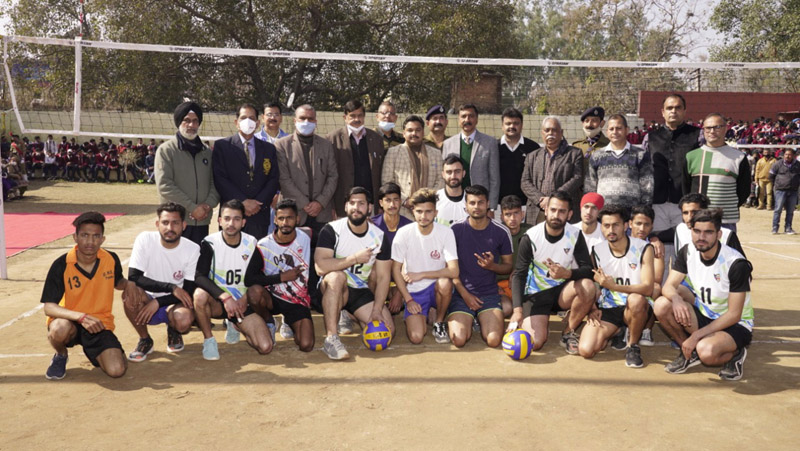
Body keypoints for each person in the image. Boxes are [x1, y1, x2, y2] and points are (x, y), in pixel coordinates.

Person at [40, 212, 143, 379]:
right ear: (75, 237)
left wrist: (130, 283)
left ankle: (105, 352)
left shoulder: (110, 259)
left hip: (99, 324)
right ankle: (61, 355)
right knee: (58, 329)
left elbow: (117, 282)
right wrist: (80, 317)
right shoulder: (61, 264)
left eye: (96, 236)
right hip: (70, 321)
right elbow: (49, 307)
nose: (90, 241)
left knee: (117, 371)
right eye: (84, 235)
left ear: (102, 239)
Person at [653, 209, 753, 380]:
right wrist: (676, 299)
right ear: (690, 231)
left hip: (734, 323)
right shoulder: (687, 252)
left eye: (708, 232)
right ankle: (689, 354)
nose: (701, 237)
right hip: (705, 313)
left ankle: (735, 353)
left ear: (718, 234)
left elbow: (734, 314)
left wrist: (696, 336)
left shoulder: (736, 264)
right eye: (697, 231)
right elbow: (668, 285)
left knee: (706, 352)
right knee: (662, 304)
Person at [509, 191, 596, 354]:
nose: (557, 215)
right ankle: (530, 323)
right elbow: (519, 275)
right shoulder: (531, 237)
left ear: (569, 214)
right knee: (535, 343)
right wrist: (517, 311)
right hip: (536, 295)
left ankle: (568, 332)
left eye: (562, 211)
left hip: (561, 293)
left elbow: (588, 271)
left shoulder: (575, 235)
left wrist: (567, 274)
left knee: (588, 286)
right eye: (554, 210)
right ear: (546, 210)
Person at [314, 187, 394, 360]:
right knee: (337, 276)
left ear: (369, 207)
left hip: (359, 289)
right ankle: (331, 338)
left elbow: (383, 278)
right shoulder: (332, 230)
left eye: (361, 203)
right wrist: (354, 259)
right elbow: (320, 267)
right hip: (332, 287)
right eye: (352, 203)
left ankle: (347, 313)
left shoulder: (379, 237)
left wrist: (377, 310)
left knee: (387, 331)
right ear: (345, 206)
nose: (356, 207)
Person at [192, 200, 273, 360]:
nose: (231, 223)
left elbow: (257, 277)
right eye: (227, 218)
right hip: (218, 302)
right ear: (219, 221)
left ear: (243, 222)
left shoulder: (251, 243)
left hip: (242, 304)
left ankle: (235, 323)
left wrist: (244, 298)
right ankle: (209, 340)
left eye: (236, 219)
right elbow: (199, 276)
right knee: (199, 295)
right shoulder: (210, 243)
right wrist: (225, 297)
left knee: (265, 347)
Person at [578, 205, 655, 368]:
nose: (611, 230)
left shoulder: (643, 248)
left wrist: (614, 286)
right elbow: (594, 284)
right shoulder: (597, 251)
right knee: (587, 350)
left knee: (636, 300)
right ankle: (618, 331)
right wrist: (592, 307)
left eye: (616, 225)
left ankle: (633, 346)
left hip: (634, 307)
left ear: (626, 226)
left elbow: (648, 288)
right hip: (609, 308)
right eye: (606, 226)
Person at [124, 203, 201, 362]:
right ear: (157, 224)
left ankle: (174, 330)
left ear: (183, 226)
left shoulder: (192, 249)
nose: (170, 227)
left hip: (176, 301)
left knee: (184, 320)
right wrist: (171, 287)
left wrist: (159, 302)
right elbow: (134, 277)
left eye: (175, 223)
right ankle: (145, 339)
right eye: (165, 222)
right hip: (149, 297)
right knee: (129, 293)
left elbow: (187, 289)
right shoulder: (145, 239)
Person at [245, 199, 316, 351]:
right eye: (281, 218)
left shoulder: (307, 236)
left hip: (297, 300)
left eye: (289, 218)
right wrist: (280, 278)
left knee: (306, 344)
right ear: (275, 220)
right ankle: (268, 321)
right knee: (254, 292)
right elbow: (249, 279)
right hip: (272, 298)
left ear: (297, 219)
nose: (285, 222)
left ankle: (290, 322)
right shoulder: (263, 245)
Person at [447, 185, 513, 348]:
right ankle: (469, 319)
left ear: (488, 204)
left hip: (489, 294)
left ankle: (479, 319)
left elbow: (508, 266)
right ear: (466, 206)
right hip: (461, 294)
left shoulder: (501, 231)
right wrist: (465, 294)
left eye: (481, 202)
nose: (476, 207)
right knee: (459, 340)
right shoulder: (455, 230)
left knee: (494, 340)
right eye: (472, 203)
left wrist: (492, 266)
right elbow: (450, 269)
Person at [391, 188, 459, 344]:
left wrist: (422, 274)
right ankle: (427, 312)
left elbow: (454, 271)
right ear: (413, 211)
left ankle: (439, 322)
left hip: (436, 288)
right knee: (416, 337)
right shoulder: (403, 233)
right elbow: (395, 270)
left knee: (444, 282)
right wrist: (408, 300)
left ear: (436, 212)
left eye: (428, 212)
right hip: (415, 291)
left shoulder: (446, 233)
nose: (423, 216)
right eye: (419, 211)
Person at [642, 94, 701, 262]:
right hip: (657, 202)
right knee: (658, 250)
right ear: (662, 112)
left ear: (684, 111)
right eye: (669, 108)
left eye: (677, 107)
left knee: (685, 250)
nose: (673, 111)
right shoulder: (650, 137)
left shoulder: (697, 136)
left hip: (684, 203)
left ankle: (682, 287)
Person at [212, 104, 280, 240]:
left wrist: (258, 202)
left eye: (251, 118)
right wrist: (242, 202)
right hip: (231, 214)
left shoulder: (269, 149)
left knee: (255, 256)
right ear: (236, 123)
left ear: (257, 123)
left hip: (259, 213)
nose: (247, 121)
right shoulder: (222, 146)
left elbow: (273, 179)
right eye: (243, 118)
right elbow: (220, 178)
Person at [155, 101, 220, 244]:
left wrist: (207, 206)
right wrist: (193, 208)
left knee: (198, 262)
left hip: (202, 221)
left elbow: (215, 183)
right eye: (187, 120)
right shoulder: (166, 150)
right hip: (176, 222)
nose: (191, 125)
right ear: (179, 122)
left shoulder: (207, 152)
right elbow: (165, 185)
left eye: (195, 121)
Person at [274, 104, 338, 241]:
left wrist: (320, 202)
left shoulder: (326, 145)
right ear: (294, 120)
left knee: (320, 254)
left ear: (315, 121)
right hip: (293, 213)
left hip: (321, 213)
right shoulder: (281, 145)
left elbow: (333, 176)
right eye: (302, 118)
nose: (306, 122)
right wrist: (305, 204)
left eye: (310, 119)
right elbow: (284, 179)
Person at [684, 113, 750, 231]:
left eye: (717, 127)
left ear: (725, 129)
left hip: (726, 222)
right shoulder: (691, 156)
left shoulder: (738, 157)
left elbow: (743, 190)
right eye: (708, 128)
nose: (712, 131)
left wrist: (727, 207)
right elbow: (685, 188)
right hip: (697, 221)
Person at [328, 99, 385, 217]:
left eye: (360, 115)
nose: (356, 119)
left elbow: (380, 173)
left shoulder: (376, 139)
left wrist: (380, 204)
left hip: (370, 204)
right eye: (352, 116)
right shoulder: (332, 139)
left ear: (364, 116)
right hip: (343, 205)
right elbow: (328, 174)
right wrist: (332, 206)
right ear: (345, 117)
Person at [521, 116, 583, 224]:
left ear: (561, 132)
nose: (550, 133)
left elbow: (577, 178)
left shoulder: (574, 154)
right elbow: (525, 182)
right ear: (542, 133)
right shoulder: (532, 156)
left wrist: (552, 199)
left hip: (564, 209)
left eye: (554, 130)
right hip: (537, 210)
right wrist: (540, 199)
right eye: (547, 130)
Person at [585, 114, 653, 210]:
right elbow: (590, 188)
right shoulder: (597, 156)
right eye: (611, 129)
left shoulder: (641, 155)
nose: (615, 132)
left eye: (619, 128)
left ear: (627, 130)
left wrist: (642, 212)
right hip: (604, 215)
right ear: (607, 131)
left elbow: (647, 187)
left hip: (631, 216)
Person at [381, 115, 444, 219]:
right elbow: (387, 182)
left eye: (418, 130)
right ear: (404, 133)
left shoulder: (436, 153)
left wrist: (427, 199)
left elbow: (441, 180)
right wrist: (405, 201)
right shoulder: (393, 153)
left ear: (423, 132)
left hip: (428, 210)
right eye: (410, 130)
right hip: (402, 211)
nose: (414, 133)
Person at [442, 104, 500, 214]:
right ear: (458, 119)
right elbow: (445, 176)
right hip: (455, 200)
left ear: (477, 119)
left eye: (471, 116)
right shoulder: (448, 144)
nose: (467, 120)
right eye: (463, 116)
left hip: (479, 203)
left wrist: (491, 207)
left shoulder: (489, 142)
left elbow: (494, 178)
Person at [371, 182, 413, 315]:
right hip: (378, 276)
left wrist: (399, 295)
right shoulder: (372, 225)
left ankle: (397, 297)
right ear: (381, 203)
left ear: (400, 202)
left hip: (401, 277)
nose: (392, 205)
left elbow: (412, 263)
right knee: (372, 271)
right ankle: (374, 305)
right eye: (387, 200)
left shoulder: (410, 227)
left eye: (395, 200)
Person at [674, 193, 744, 257]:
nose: (689, 218)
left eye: (694, 212)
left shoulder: (727, 235)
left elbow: (742, 265)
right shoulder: (681, 230)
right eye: (685, 213)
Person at [496, 195, 532, 317]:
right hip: (501, 285)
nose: (512, 218)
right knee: (506, 308)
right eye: (508, 214)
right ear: (501, 216)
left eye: (516, 213)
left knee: (529, 312)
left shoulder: (532, 232)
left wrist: (518, 271)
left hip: (525, 284)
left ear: (522, 214)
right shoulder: (495, 234)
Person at [498, 107, 540, 209]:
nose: (512, 126)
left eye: (516, 123)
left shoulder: (533, 148)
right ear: (502, 126)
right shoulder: (494, 147)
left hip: (525, 205)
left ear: (522, 125)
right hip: (498, 206)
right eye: (508, 123)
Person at [572, 106, 610, 179]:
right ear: (582, 123)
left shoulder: (609, 145)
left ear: (602, 123)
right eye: (587, 121)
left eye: (594, 120)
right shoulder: (577, 146)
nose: (589, 124)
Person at [769, 148, 800, 234]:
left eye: (789, 154)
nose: (787, 156)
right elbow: (771, 176)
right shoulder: (778, 164)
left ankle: (788, 228)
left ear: (794, 156)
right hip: (780, 190)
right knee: (778, 210)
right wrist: (777, 184)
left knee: (790, 211)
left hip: (793, 191)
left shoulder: (798, 165)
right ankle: (775, 228)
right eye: (786, 154)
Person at [435, 155, 469, 226]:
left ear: (463, 173)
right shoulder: (435, 199)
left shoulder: (471, 201)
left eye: (457, 172)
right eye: (449, 172)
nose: (453, 176)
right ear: (443, 174)